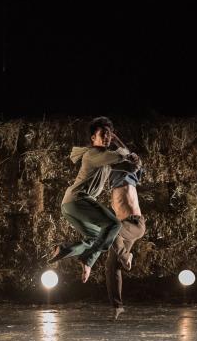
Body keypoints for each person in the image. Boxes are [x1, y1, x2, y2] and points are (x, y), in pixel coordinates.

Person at [49, 117, 140, 283]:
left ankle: (63, 249)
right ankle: (89, 260)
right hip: (78, 200)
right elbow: (119, 156)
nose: (107, 137)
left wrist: (135, 163)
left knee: (94, 238)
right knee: (114, 224)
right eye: (103, 134)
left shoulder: (105, 158)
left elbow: (129, 167)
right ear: (93, 138)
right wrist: (124, 150)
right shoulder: (93, 154)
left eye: (109, 134)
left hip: (69, 205)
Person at [103, 142, 146, 320]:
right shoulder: (114, 179)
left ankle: (126, 257)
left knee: (111, 229)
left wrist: (134, 158)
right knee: (111, 267)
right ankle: (117, 306)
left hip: (134, 224)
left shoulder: (126, 174)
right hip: (125, 227)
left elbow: (136, 165)